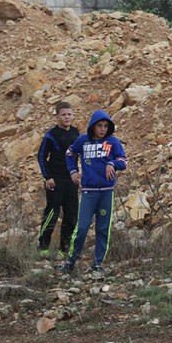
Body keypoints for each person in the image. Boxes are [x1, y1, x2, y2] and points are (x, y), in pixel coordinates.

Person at [61, 110, 127, 275]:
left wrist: (112, 163)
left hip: (106, 193)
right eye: (100, 126)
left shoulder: (113, 142)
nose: (103, 129)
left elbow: (124, 160)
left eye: (106, 126)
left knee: (103, 229)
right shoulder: (83, 141)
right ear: (93, 126)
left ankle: (98, 264)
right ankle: (70, 261)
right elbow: (69, 153)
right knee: (82, 228)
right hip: (89, 192)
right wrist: (73, 171)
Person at [36, 102, 80, 257]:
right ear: (57, 116)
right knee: (52, 213)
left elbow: (80, 154)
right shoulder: (51, 135)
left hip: (71, 181)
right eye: (64, 114)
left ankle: (65, 248)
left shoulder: (76, 133)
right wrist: (47, 177)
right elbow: (41, 157)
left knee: (72, 214)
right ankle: (43, 246)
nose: (67, 117)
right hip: (55, 180)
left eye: (69, 114)